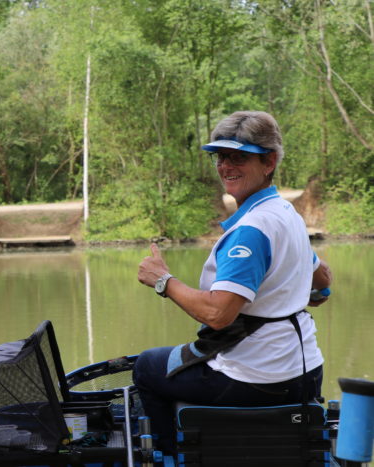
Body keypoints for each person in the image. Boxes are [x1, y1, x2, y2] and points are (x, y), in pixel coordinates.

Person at [133, 110, 332, 455]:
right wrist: (308, 292)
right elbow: (324, 278)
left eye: (239, 157)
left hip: (259, 380)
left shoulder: (251, 230)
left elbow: (218, 314)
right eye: (221, 157)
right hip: (306, 372)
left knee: (147, 366)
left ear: (269, 161)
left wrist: (162, 280)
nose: (226, 166)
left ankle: (167, 458)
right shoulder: (286, 214)